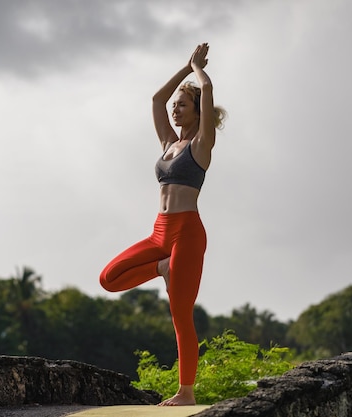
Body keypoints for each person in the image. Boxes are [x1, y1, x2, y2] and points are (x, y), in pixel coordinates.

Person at [99, 43, 226, 406]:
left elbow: (208, 93)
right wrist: (184, 69)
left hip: (187, 233)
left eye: (182, 104)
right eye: (177, 105)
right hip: (160, 233)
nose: (174, 108)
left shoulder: (201, 145)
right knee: (109, 278)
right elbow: (156, 99)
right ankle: (160, 267)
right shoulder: (168, 143)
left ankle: (186, 391)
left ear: (197, 112)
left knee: (180, 314)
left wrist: (198, 74)